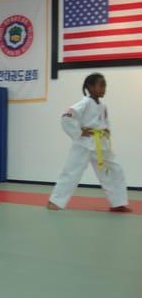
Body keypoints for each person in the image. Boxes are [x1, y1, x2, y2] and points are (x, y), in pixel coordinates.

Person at [48, 73, 131, 212]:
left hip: (100, 144)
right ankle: (55, 201)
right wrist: (79, 132)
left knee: (114, 170)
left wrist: (106, 131)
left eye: (105, 86)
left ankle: (117, 203)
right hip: (83, 144)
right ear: (90, 87)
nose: (104, 89)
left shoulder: (103, 106)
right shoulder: (84, 103)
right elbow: (66, 117)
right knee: (71, 172)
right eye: (101, 85)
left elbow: (105, 122)